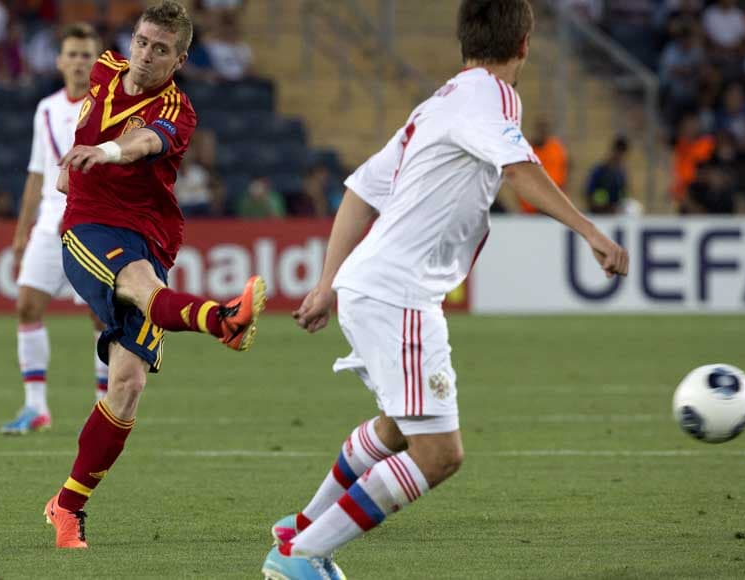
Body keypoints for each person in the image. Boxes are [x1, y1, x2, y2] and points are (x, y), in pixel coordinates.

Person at [261, 0, 629, 577]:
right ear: (526, 43)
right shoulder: (492, 97)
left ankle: (303, 526)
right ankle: (301, 558)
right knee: (439, 453)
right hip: (399, 293)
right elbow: (517, 169)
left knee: (394, 428)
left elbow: (360, 190)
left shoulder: (439, 103)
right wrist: (590, 231)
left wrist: (329, 282)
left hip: (373, 285)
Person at [42, 0, 266, 549]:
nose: (145, 55)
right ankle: (221, 320)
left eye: (160, 48)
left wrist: (106, 151)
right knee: (145, 291)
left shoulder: (178, 110)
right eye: (141, 41)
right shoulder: (105, 69)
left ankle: (67, 506)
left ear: (180, 58)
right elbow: (85, 117)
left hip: (148, 237)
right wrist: (76, 161)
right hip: (91, 229)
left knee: (127, 385)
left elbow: (144, 143)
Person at [0, 23, 106, 436]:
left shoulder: (105, 108)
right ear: (60, 61)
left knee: (101, 317)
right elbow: (36, 173)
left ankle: (104, 411)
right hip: (48, 223)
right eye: (73, 54)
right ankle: (35, 408)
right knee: (27, 305)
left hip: (91, 223)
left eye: (87, 55)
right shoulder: (45, 108)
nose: (80, 62)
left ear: (98, 62)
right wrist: (22, 232)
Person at [584, 136, 630, 214]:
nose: (620, 155)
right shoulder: (599, 170)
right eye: (618, 151)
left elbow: (623, 193)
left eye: (622, 152)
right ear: (613, 150)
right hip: (597, 213)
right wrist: (596, 205)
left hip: (613, 213)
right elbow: (588, 192)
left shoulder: (621, 173)